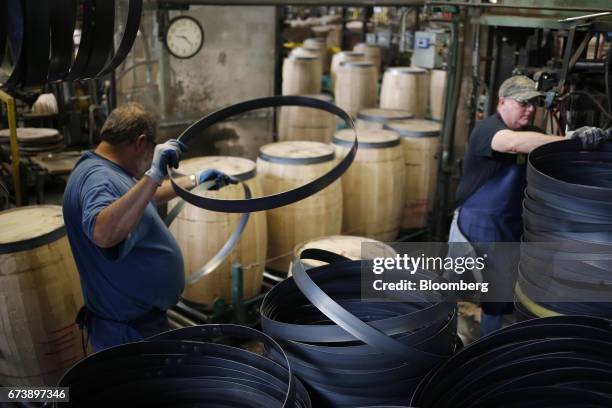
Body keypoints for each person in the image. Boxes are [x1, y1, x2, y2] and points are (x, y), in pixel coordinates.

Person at [63, 103, 234, 351]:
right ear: (141, 143)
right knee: (140, 390)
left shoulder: (108, 170)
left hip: (136, 323)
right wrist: (154, 173)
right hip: (126, 332)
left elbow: (138, 201)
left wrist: (194, 181)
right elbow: (103, 233)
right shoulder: (97, 177)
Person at [448, 75, 610, 337]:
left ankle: (488, 350)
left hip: (509, 228)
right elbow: (511, 143)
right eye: (523, 103)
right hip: (475, 226)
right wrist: (571, 139)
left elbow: (553, 150)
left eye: (534, 104)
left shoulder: (533, 134)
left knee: (497, 299)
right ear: (502, 101)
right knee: (449, 288)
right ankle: (439, 339)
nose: (531, 109)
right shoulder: (487, 129)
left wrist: (594, 141)